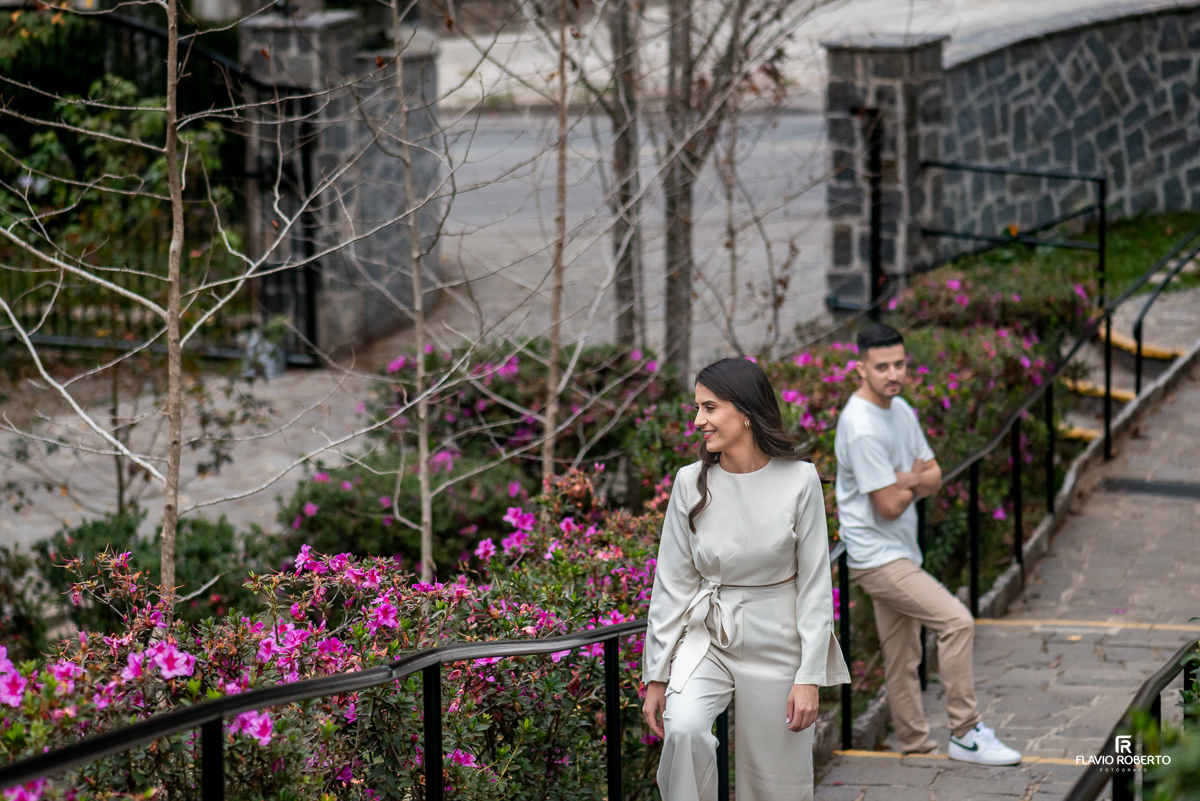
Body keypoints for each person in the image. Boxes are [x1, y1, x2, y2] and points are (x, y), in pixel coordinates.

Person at [641, 357, 850, 801]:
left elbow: (815, 583)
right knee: (686, 730)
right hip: (709, 635)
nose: (698, 421)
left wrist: (809, 675)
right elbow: (672, 584)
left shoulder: (799, 479)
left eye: (709, 408)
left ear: (746, 412)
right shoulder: (690, 482)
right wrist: (656, 676)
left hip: (778, 638)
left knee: (775, 783)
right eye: (697, 408)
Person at [833, 323, 1021, 765]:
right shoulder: (859, 426)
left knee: (903, 657)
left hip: (898, 550)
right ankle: (966, 731)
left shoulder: (901, 411)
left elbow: (934, 476)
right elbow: (888, 507)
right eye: (881, 367)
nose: (892, 374)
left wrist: (909, 480)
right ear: (860, 368)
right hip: (877, 556)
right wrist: (913, 481)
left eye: (899, 364)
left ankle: (916, 747)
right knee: (957, 622)